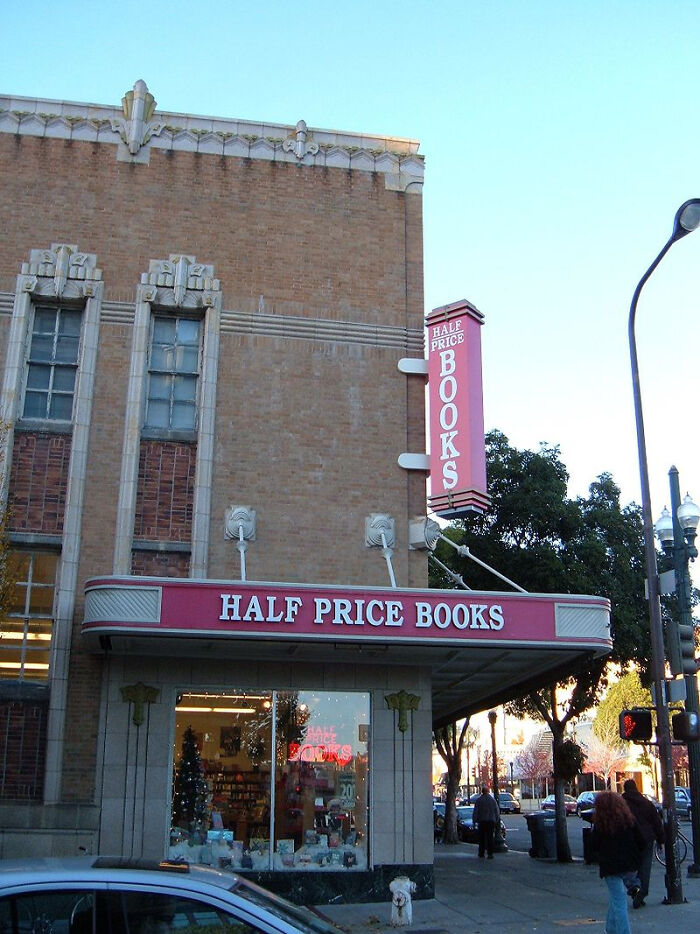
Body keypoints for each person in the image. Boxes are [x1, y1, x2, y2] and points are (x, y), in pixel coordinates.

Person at [591, 791, 645, 934]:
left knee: (618, 899)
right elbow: (642, 840)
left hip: (610, 867)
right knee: (617, 897)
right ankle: (610, 929)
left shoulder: (600, 825)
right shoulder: (628, 820)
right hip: (630, 865)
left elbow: (593, 845)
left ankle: (622, 931)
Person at [622, 779, 664, 908]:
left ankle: (635, 887)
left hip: (629, 840)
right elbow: (656, 822)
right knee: (645, 867)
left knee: (628, 866)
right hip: (647, 839)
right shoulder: (646, 803)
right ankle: (642, 891)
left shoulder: (622, 804)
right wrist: (661, 840)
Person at [472, 786, 500, 859]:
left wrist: (474, 821)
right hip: (491, 821)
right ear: (488, 791)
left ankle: (481, 853)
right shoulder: (492, 800)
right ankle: (490, 853)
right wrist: (497, 820)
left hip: (482, 821)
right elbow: (496, 811)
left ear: (482, 792)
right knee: (490, 837)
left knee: (482, 838)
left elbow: (476, 811)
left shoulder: (479, 800)